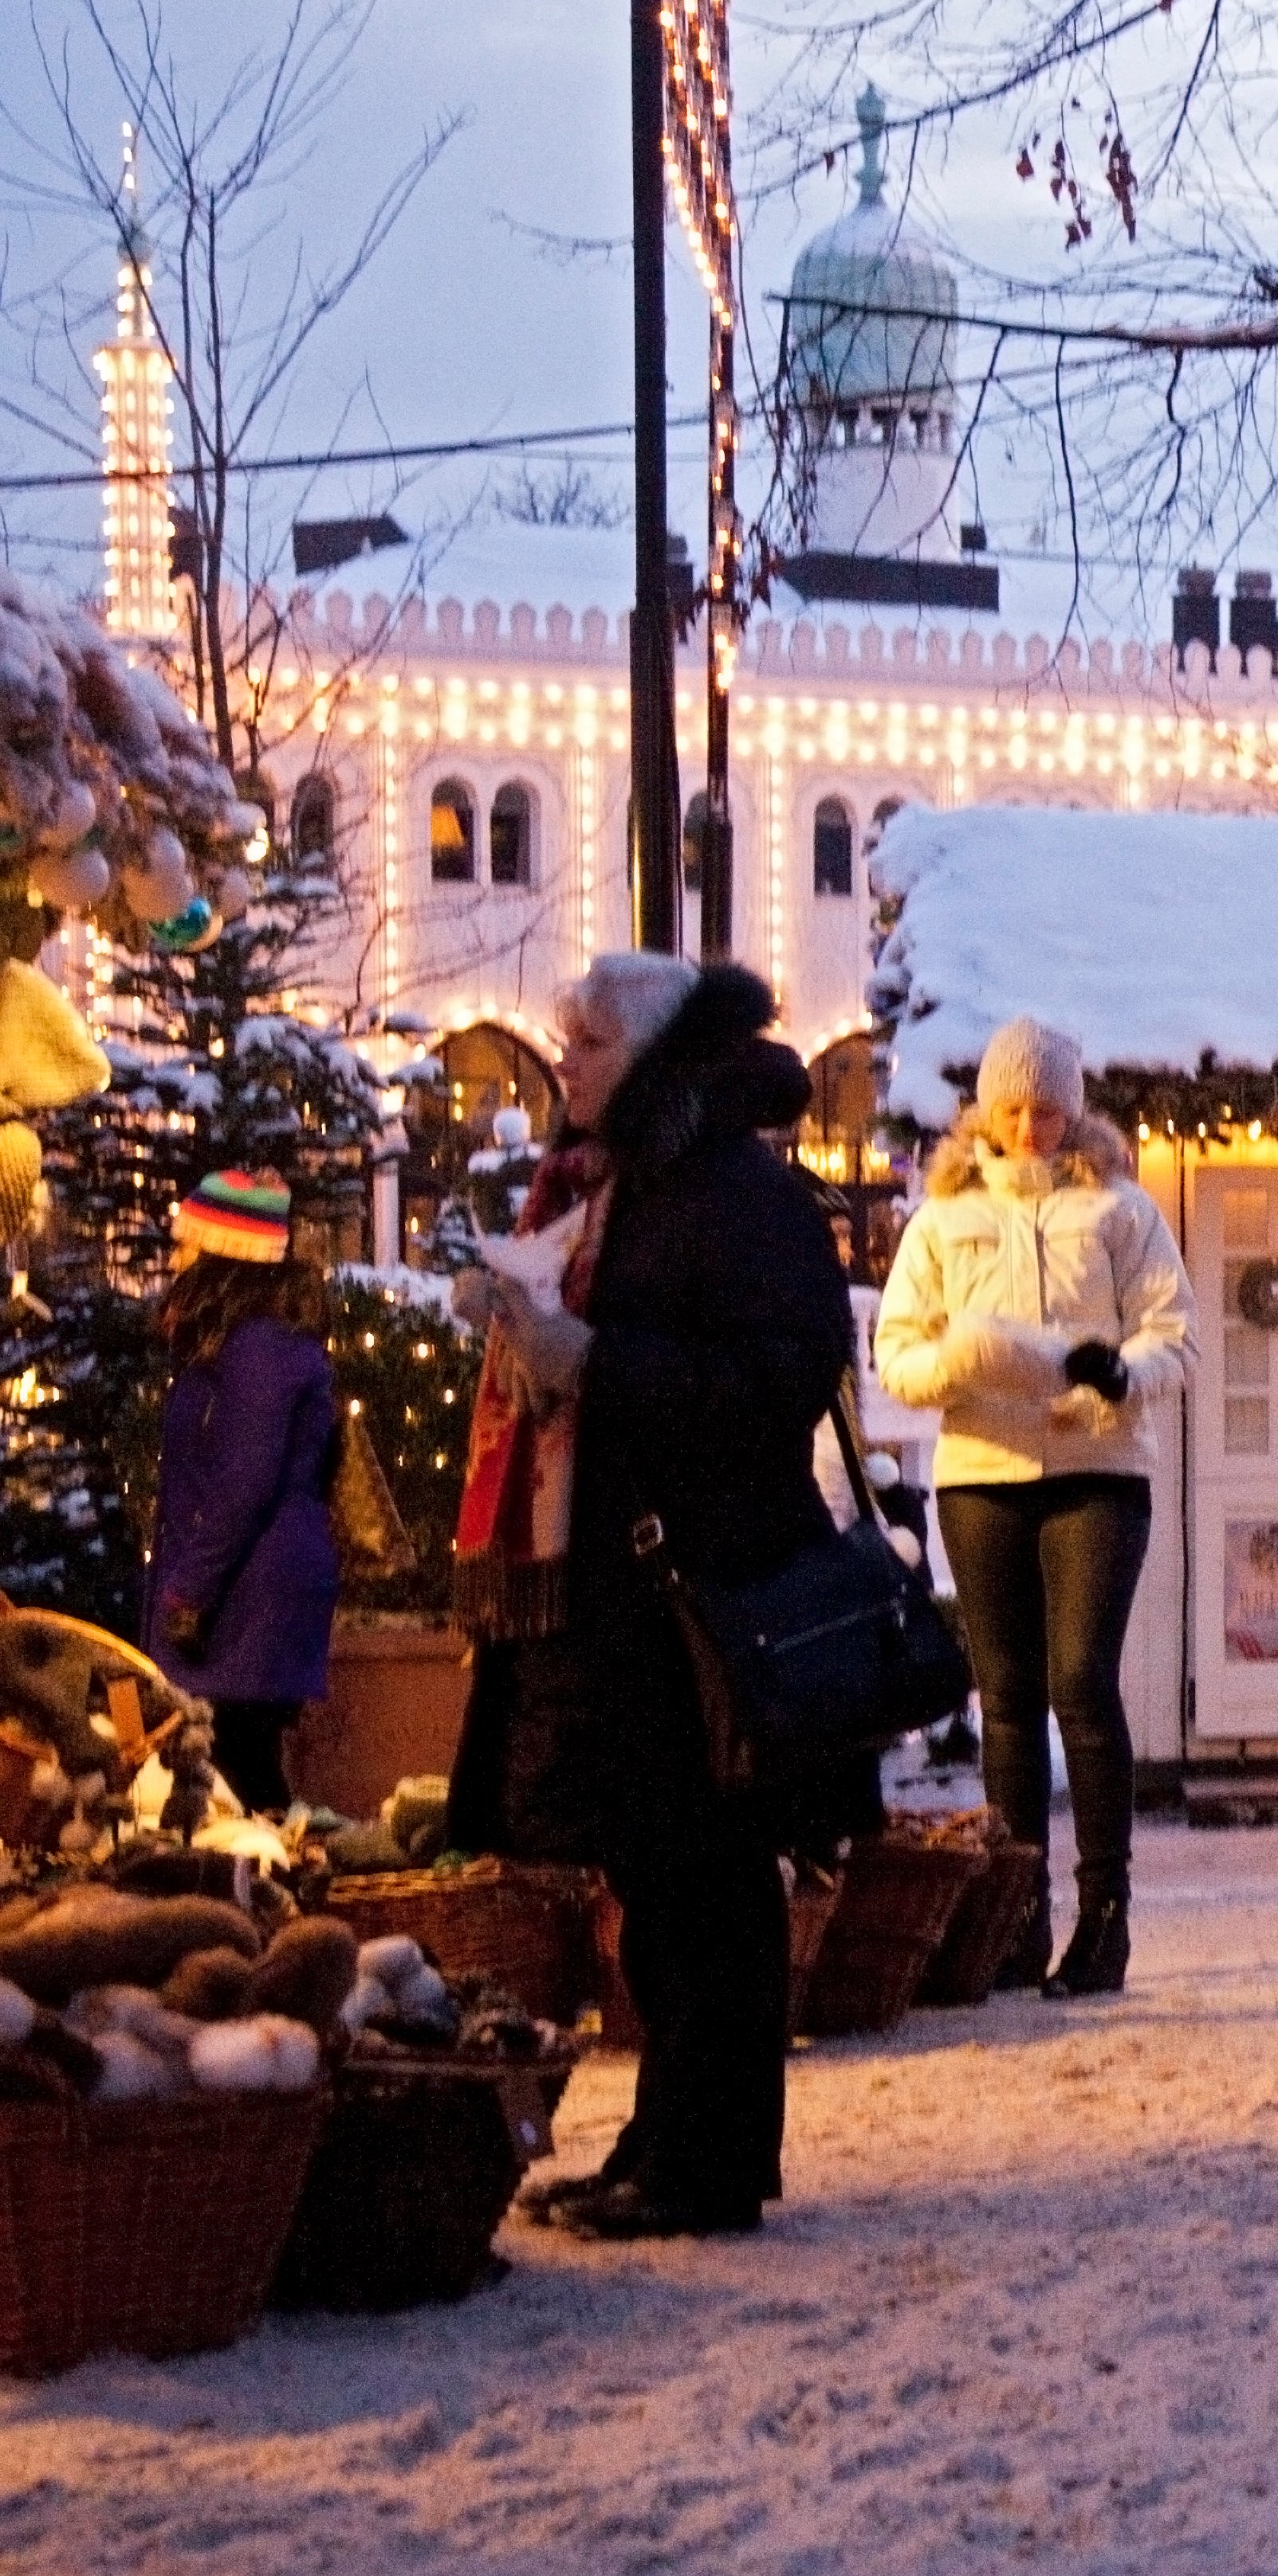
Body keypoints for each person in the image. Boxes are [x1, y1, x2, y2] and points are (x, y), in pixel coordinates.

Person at [449, 954, 856, 2244]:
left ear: (660, 1056)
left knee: (710, 1891)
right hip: (624, 1596)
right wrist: (522, 1324)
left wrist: (597, 1359)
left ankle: (709, 2162)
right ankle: (663, 2137)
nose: (562, 1058)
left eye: (590, 1040)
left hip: (702, 1593)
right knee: (661, 1889)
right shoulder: (612, 1183)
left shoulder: (738, 1192)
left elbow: (781, 1376)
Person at [874, 1017, 1190, 1996]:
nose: (1032, 1127)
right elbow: (897, 1359)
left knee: (1082, 1684)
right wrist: (966, 1359)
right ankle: (1016, 1919)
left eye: (1049, 1108)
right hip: (982, 1474)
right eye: (1013, 1108)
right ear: (985, 1110)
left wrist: (1112, 1376)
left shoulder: (1122, 1210)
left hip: (1099, 1472)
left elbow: (1175, 1342)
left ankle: (1105, 1921)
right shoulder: (941, 1220)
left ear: (1074, 1107)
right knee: (1006, 1702)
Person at [142, 1168, 338, 1812]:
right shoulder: (243, 1340)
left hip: (246, 1599)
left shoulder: (259, 1345)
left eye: (188, 1240)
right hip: (244, 1593)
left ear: (222, 1253)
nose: (177, 1255)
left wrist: (188, 1591)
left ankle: (267, 1907)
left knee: (238, 1774)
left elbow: (244, 1480)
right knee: (238, 1773)